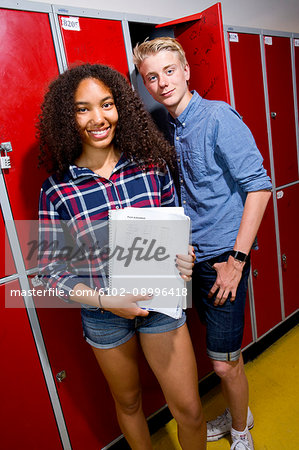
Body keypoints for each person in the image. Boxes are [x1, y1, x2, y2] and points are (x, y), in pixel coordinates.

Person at [37, 63, 206, 450]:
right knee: (129, 402)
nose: (98, 118)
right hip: (103, 315)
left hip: (161, 303)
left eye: (107, 104)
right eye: (83, 108)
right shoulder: (57, 190)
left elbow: (177, 233)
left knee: (190, 410)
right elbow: (49, 271)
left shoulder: (150, 165)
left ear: (121, 108)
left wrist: (185, 257)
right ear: (68, 117)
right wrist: (105, 300)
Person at [133, 37, 272, 450]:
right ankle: (239, 411)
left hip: (223, 262)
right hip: (189, 261)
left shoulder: (217, 117)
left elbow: (260, 189)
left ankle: (241, 431)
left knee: (223, 365)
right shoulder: (167, 128)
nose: (162, 83)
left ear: (187, 70)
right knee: (216, 354)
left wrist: (237, 260)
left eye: (169, 71)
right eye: (151, 77)